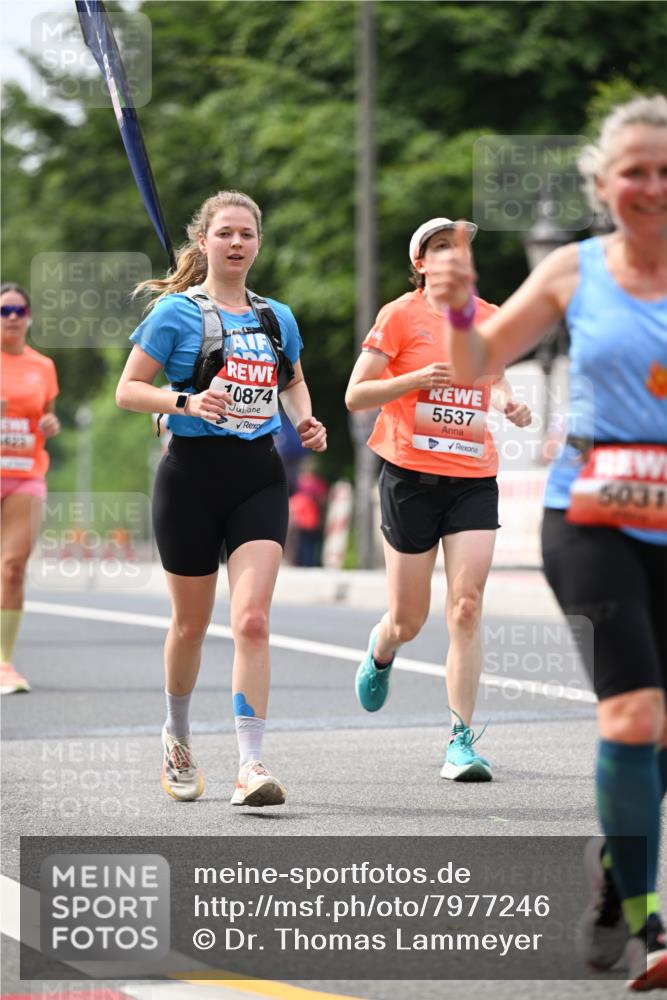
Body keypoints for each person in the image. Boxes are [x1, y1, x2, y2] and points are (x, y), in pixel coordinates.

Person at [446, 95, 667, 990]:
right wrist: (460, 307)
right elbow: (470, 364)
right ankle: (653, 928)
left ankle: (617, 880)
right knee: (634, 715)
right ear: (603, 183)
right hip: (593, 515)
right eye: (634, 172)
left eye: (664, 171)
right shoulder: (575, 271)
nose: (650, 187)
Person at [116, 190, 326, 807]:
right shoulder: (175, 314)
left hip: (258, 475)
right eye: (225, 233)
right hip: (190, 478)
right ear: (204, 241)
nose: (237, 243)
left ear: (258, 244)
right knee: (190, 624)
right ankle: (177, 736)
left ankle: (250, 764)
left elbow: (293, 380)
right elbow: (129, 391)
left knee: (253, 619)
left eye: (247, 235)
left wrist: (305, 420)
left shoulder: (275, 316)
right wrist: (186, 402)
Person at [344, 217, 531, 782]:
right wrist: (417, 377)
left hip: (473, 477)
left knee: (466, 606)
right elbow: (356, 395)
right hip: (410, 478)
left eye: (463, 249)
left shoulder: (490, 318)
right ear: (422, 263)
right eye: (442, 247)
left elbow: (494, 377)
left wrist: (506, 402)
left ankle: (460, 741)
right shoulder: (400, 316)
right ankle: (383, 647)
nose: (455, 257)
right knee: (410, 617)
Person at [1, 283, 60, 695]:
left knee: (12, 567)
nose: (13, 317)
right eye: (4, 310)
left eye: (19, 310)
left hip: (25, 472)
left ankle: (3, 663)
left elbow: (47, 417)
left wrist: (50, 426)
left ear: (30, 316)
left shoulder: (43, 366)